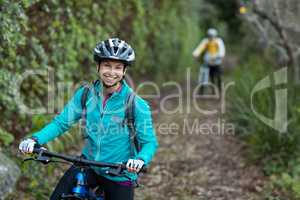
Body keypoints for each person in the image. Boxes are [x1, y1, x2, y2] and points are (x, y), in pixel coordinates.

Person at [19, 38, 158, 200]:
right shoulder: (85, 94)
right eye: (107, 65)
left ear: (124, 71)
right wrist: (35, 139)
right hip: (88, 165)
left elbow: (149, 142)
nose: (111, 72)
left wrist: (140, 160)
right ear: (98, 66)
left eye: (118, 67)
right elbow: (61, 123)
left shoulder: (136, 104)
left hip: (119, 172)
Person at [192, 28, 226, 95]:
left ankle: (220, 89)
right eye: (210, 36)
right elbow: (200, 48)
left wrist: (218, 56)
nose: (211, 37)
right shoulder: (206, 41)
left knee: (219, 76)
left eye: (212, 35)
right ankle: (212, 90)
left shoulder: (218, 41)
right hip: (208, 62)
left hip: (217, 62)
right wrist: (195, 54)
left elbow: (222, 50)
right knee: (211, 77)